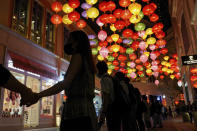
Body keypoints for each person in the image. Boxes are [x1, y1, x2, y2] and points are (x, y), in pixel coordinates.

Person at [20, 31, 98, 131]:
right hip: (87, 111)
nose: (67, 43)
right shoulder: (88, 61)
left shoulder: (78, 56)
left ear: (76, 42)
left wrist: (39, 95)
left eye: (70, 40)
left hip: (76, 112)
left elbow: (65, 83)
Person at [96, 61, 117, 131]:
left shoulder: (104, 79)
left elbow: (106, 97)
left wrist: (103, 112)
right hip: (114, 108)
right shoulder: (110, 78)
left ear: (99, 70)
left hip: (110, 108)